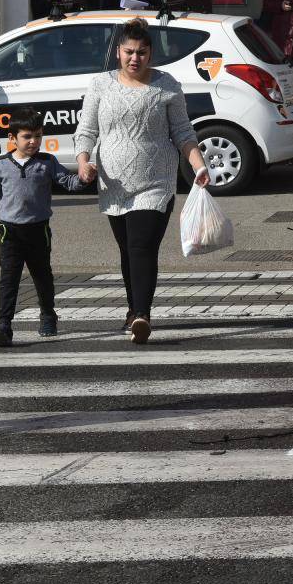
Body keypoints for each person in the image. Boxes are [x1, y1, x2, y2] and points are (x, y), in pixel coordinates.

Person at [74, 20, 210, 345]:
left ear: (151, 53)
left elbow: (183, 132)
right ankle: (133, 307)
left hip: (156, 182)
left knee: (141, 246)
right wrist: (83, 163)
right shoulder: (100, 85)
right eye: (129, 52)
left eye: (142, 52)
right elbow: (86, 129)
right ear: (118, 52)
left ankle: (141, 314)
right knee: (126, 250)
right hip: (113, 183)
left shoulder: (167, 86)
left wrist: (198, 165)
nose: (135, 58)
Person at [0, 110, 90, 347]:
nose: (34, 141)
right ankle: (4, 326)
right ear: (13, 138)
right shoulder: (1, 165)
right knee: (8, 279)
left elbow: (68, 182)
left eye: (38, 136)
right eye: (27, 136)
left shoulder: (47, 161)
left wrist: (84, 178)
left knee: (42, 277)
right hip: (10, 232)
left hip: (38, 231)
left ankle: (48, 316)